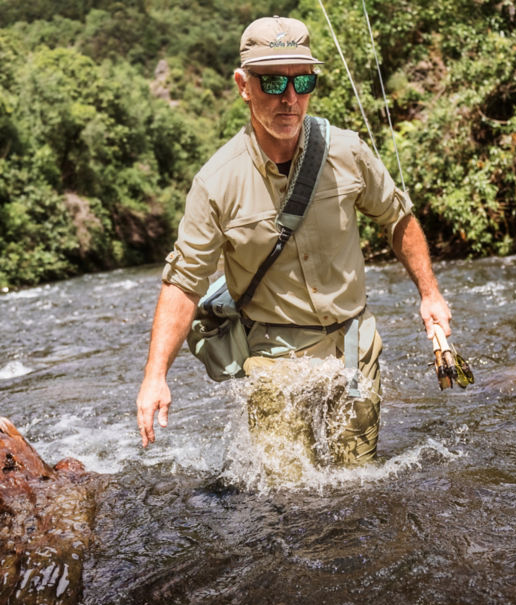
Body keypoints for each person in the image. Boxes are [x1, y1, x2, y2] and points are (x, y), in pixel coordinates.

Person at [137, 15, 451, 464]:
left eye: (303, 81)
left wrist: (430, 293)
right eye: (272, 84)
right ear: (243, 85)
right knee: (290, 501)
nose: (290, 99)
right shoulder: (215, 183)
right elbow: (185, 281)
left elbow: (397, 216)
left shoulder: (347, 152)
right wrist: (155, 377)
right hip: (274, 361)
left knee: (355, 484)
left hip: (354, 348)